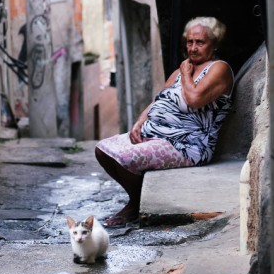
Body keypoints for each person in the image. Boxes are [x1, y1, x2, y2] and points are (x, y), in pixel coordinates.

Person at [95, 16, 234, 227]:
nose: (193, 48)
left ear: (214, 44)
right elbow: (159, 100)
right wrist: (139, 122)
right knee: (102, 149)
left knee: (125, 157)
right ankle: (136, 200)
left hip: (187, 145)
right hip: (158, 134)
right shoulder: (180, 71)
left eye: (200, 42)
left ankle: (135, 205)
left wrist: (186, 74)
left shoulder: (218, 69)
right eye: (190, 42)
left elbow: (194, 99)